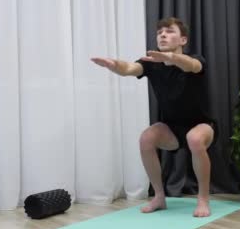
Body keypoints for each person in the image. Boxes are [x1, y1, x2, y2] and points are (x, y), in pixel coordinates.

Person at [91, 17, 217, 217]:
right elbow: (130, 69)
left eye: (169, 31)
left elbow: (191, 65)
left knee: (194, 138)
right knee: (146, 138)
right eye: (159, 33)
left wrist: (171, 59)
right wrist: (113, 65)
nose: (163, 35)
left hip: (202, 125)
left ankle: (203, 199)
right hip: (172, 128)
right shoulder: (151, 63)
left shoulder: (196, 58)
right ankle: (159, 197)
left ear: (183, 40)